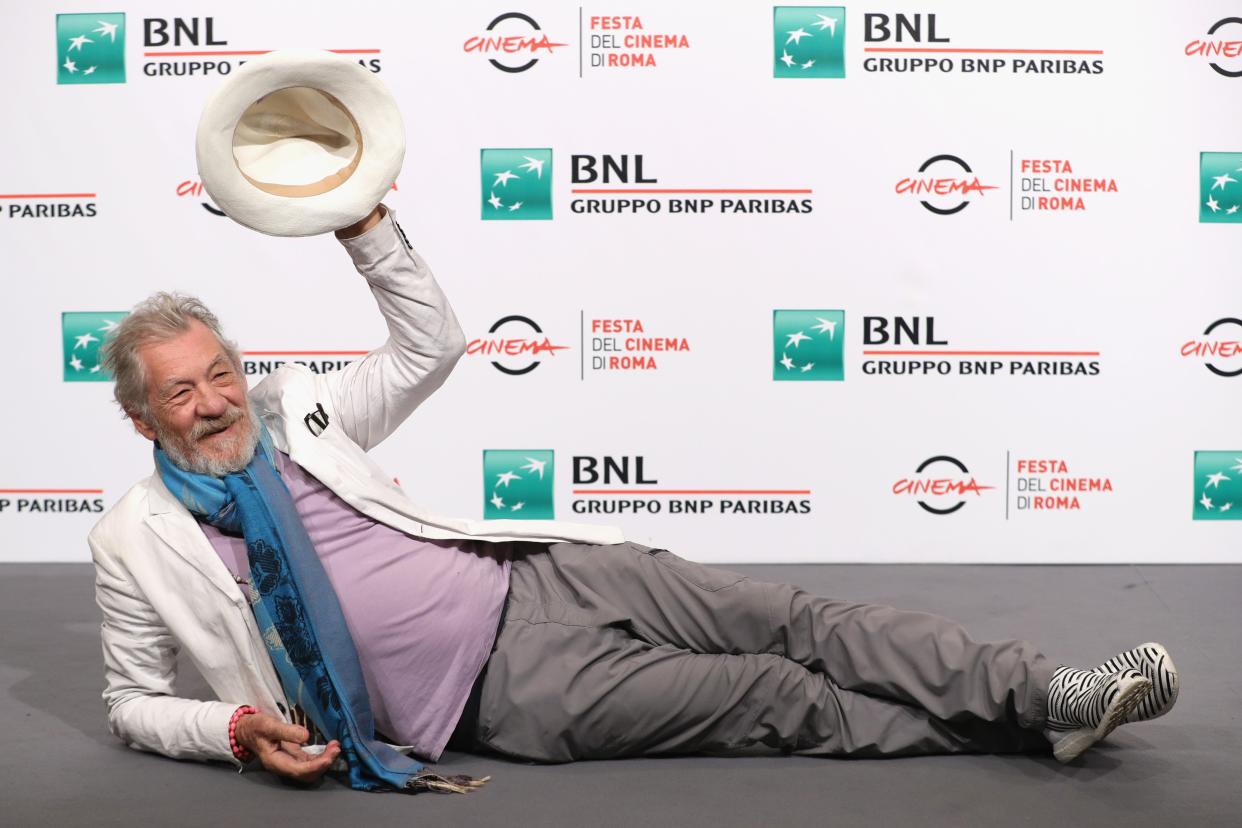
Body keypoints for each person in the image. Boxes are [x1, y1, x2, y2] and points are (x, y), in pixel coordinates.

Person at [88, 203, 1179, 791]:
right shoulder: (136, 538)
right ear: (145, 419)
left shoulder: (295, 411)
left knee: (793, 618)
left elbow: (432, 345)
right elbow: (134, 701)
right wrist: (230, 725)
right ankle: (1030, 735)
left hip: (538, 570)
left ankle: (1056, 694)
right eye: (182, 393)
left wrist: (361, 221)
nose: (215, 401)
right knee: (770, 694)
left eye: (220, 372)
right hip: (499, 691)